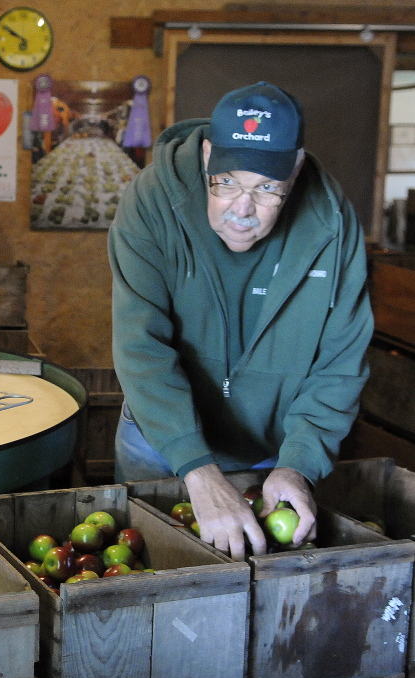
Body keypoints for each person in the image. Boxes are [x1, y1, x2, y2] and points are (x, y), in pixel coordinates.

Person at [108, 82, 373, 562]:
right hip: (162, 444)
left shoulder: (333, 226)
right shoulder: (151, 202)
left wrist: (300, 464)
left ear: (295, 169)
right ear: (208, 155)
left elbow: (341, 361)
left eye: (266, 189)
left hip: (271, 453)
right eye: (226, 182)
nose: (242, 210)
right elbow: (140, 345)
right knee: (144, 581)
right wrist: (197, 469)